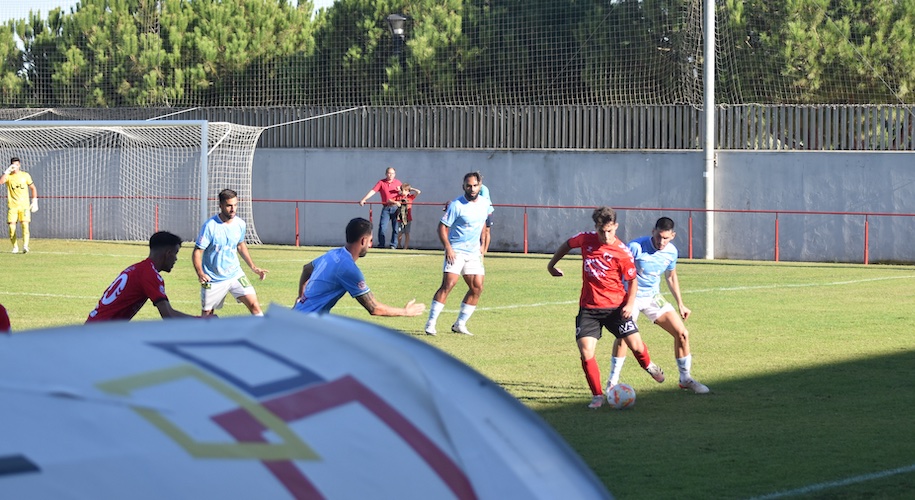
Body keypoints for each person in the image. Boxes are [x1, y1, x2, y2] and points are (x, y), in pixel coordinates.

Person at [546, 206, 665, 409]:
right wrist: (551, 265)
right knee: (586, 352)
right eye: (602, 231)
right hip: (589, 309)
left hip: (616, 308)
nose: (606, 235)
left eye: (610, 230)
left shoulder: (622, 252)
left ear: (616, 227)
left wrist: (629, 303)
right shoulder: (585, 239)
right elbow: (567, 245)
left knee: (636, 346)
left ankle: (649, 365)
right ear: (596, 228)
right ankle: (597, 395)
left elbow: (632, 280)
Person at [606, 217, 710, 394]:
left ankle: (685, 379)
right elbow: (617, 271)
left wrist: (681, 304)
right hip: (631, 297)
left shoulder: (671, 252)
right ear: (653, 231)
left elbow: (671, 277)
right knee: (624, 336)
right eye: (659, 236)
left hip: (654, 297)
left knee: (682, 333)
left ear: (673, 236)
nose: (661, 242)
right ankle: (612, 383)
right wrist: (621, 299)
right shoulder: (635, 247)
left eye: (666, 238)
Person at [293, 217, 426, 317]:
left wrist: (301, 297)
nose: (370, 245)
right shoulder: (347, 269)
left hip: (298, 317)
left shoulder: (333, 253)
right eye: (370, 240)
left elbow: (306, 269)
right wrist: (405, 311)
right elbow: (373, 308)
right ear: (363, 241)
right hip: (305, 327)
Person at [424, 172, 492, 336]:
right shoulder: (456, 205)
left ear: (480, 186)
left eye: (475, 185)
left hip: (473, 252)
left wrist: (483, 246)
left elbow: (483, 224)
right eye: (468, 185)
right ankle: (431, 323)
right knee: (449, 284)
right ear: (463, 186)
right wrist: (448, 247)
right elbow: (442, 227)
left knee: (477, 288)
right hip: (456, 251)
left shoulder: (485, 204)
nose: (472, 188)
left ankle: (460, 324)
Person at [86, 232, 200, 322]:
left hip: (97, 327)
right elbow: (168, 315)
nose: (176, 259)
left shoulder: (138, 268)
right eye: (176, 253)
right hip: (101, 333)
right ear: (168, 253)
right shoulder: (150, 275)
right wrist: (200, 321)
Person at [192, 189, 268, 317]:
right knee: (207, 316)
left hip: (235, 275)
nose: (233, 209)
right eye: (229, 205)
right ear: (221, 205)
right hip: (213, 278)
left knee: (254, 305)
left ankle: (265, 335)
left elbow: (240, 244)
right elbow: (197, 252)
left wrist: (253, 267)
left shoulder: (240, 224)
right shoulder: (210, 226)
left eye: (235, 205)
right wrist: (200, 272)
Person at [0, 157, 38, 254]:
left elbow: (33, 188)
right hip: (12, 206)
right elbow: (1, 182)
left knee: (25, 225)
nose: (15, 167)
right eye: (13, 165)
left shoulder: (25, 175)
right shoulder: (8, 176)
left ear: (19, 165)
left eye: (17, 165)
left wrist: (34, 201)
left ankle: (25, 246)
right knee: (12, 228)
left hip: (24, 206)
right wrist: (7, 171)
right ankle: (15, 247)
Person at [358, 167, 402, 249]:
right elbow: (373, 191)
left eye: (392, 173)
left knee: (396, 228)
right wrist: (364, 199)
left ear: (395, 174)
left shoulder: (398, 183)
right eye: (389, 173)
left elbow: (406, 192)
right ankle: (381, 244)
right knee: (382, 227)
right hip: (386, 208)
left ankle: (393, 245)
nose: (391, 175)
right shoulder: (381, 182)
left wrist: (401, 191)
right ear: (386, 174)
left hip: (396, 208)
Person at [394, 183, 421, 249]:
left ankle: (405, 247)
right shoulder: (398, 196)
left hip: (408, 218)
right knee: (400, 232)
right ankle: (399, 244)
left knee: (407, 233)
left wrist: (411, 189)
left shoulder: (410, 197)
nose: (404, 192)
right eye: (403, 190)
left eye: (405, 190)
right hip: (400, 218)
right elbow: (389, 200)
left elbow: (418, 192)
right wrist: (396, 202)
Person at [478, 176, 494, 255]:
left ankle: (485, 250)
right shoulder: (474, 189)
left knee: (487, 231)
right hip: (478, 213)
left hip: (487, 213)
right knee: (479, 231)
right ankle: (478, 249)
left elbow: (482, 201)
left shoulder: (484, 189)